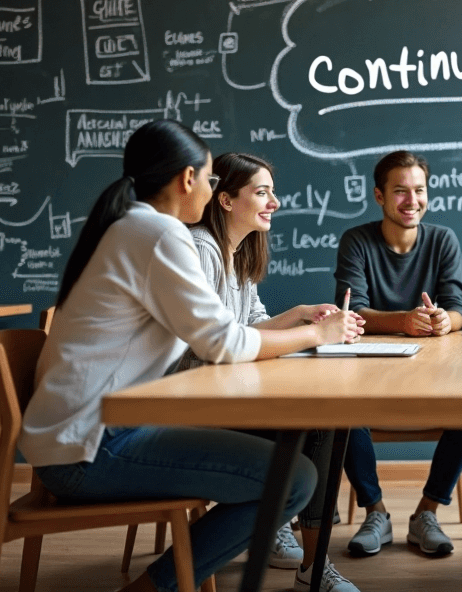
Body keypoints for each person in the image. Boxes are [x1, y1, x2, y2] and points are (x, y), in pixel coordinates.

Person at [20, 120, 360, 592]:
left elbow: (225, 334)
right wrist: (316, 334)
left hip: (89, 434)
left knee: (290, 471)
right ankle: (154, 587)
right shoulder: (162, 235)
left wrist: (305, 326)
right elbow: (223, 343)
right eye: (209, 177)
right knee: (294, 479)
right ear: (187, 180)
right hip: (88, 449)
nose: (210, 185)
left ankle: (165, 581)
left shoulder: (136, 227)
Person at [173, 151, 365, 592]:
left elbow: (249, 325)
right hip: (192, 402)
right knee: (318, 425)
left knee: (321, 419)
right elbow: (219, 346)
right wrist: (316, 335)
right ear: (225, 200)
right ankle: (308, 559)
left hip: (220, 393)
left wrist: (301, 314)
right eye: (261, 192)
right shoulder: (202, 249)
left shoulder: (236, 252)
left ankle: (291, 533)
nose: (274, 202)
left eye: (272, 192)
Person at [334, 150, 462, 558]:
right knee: (338, 409)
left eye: (419, 190)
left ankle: (426, 512)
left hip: (433, 374)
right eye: (400, 191)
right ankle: (375, 512)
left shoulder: (443, 239)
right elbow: (352, 311)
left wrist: (446, 321)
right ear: (379, 196)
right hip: (368, 375)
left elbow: (458, 307)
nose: (411, 200)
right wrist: (403, 321)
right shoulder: (356, 241)